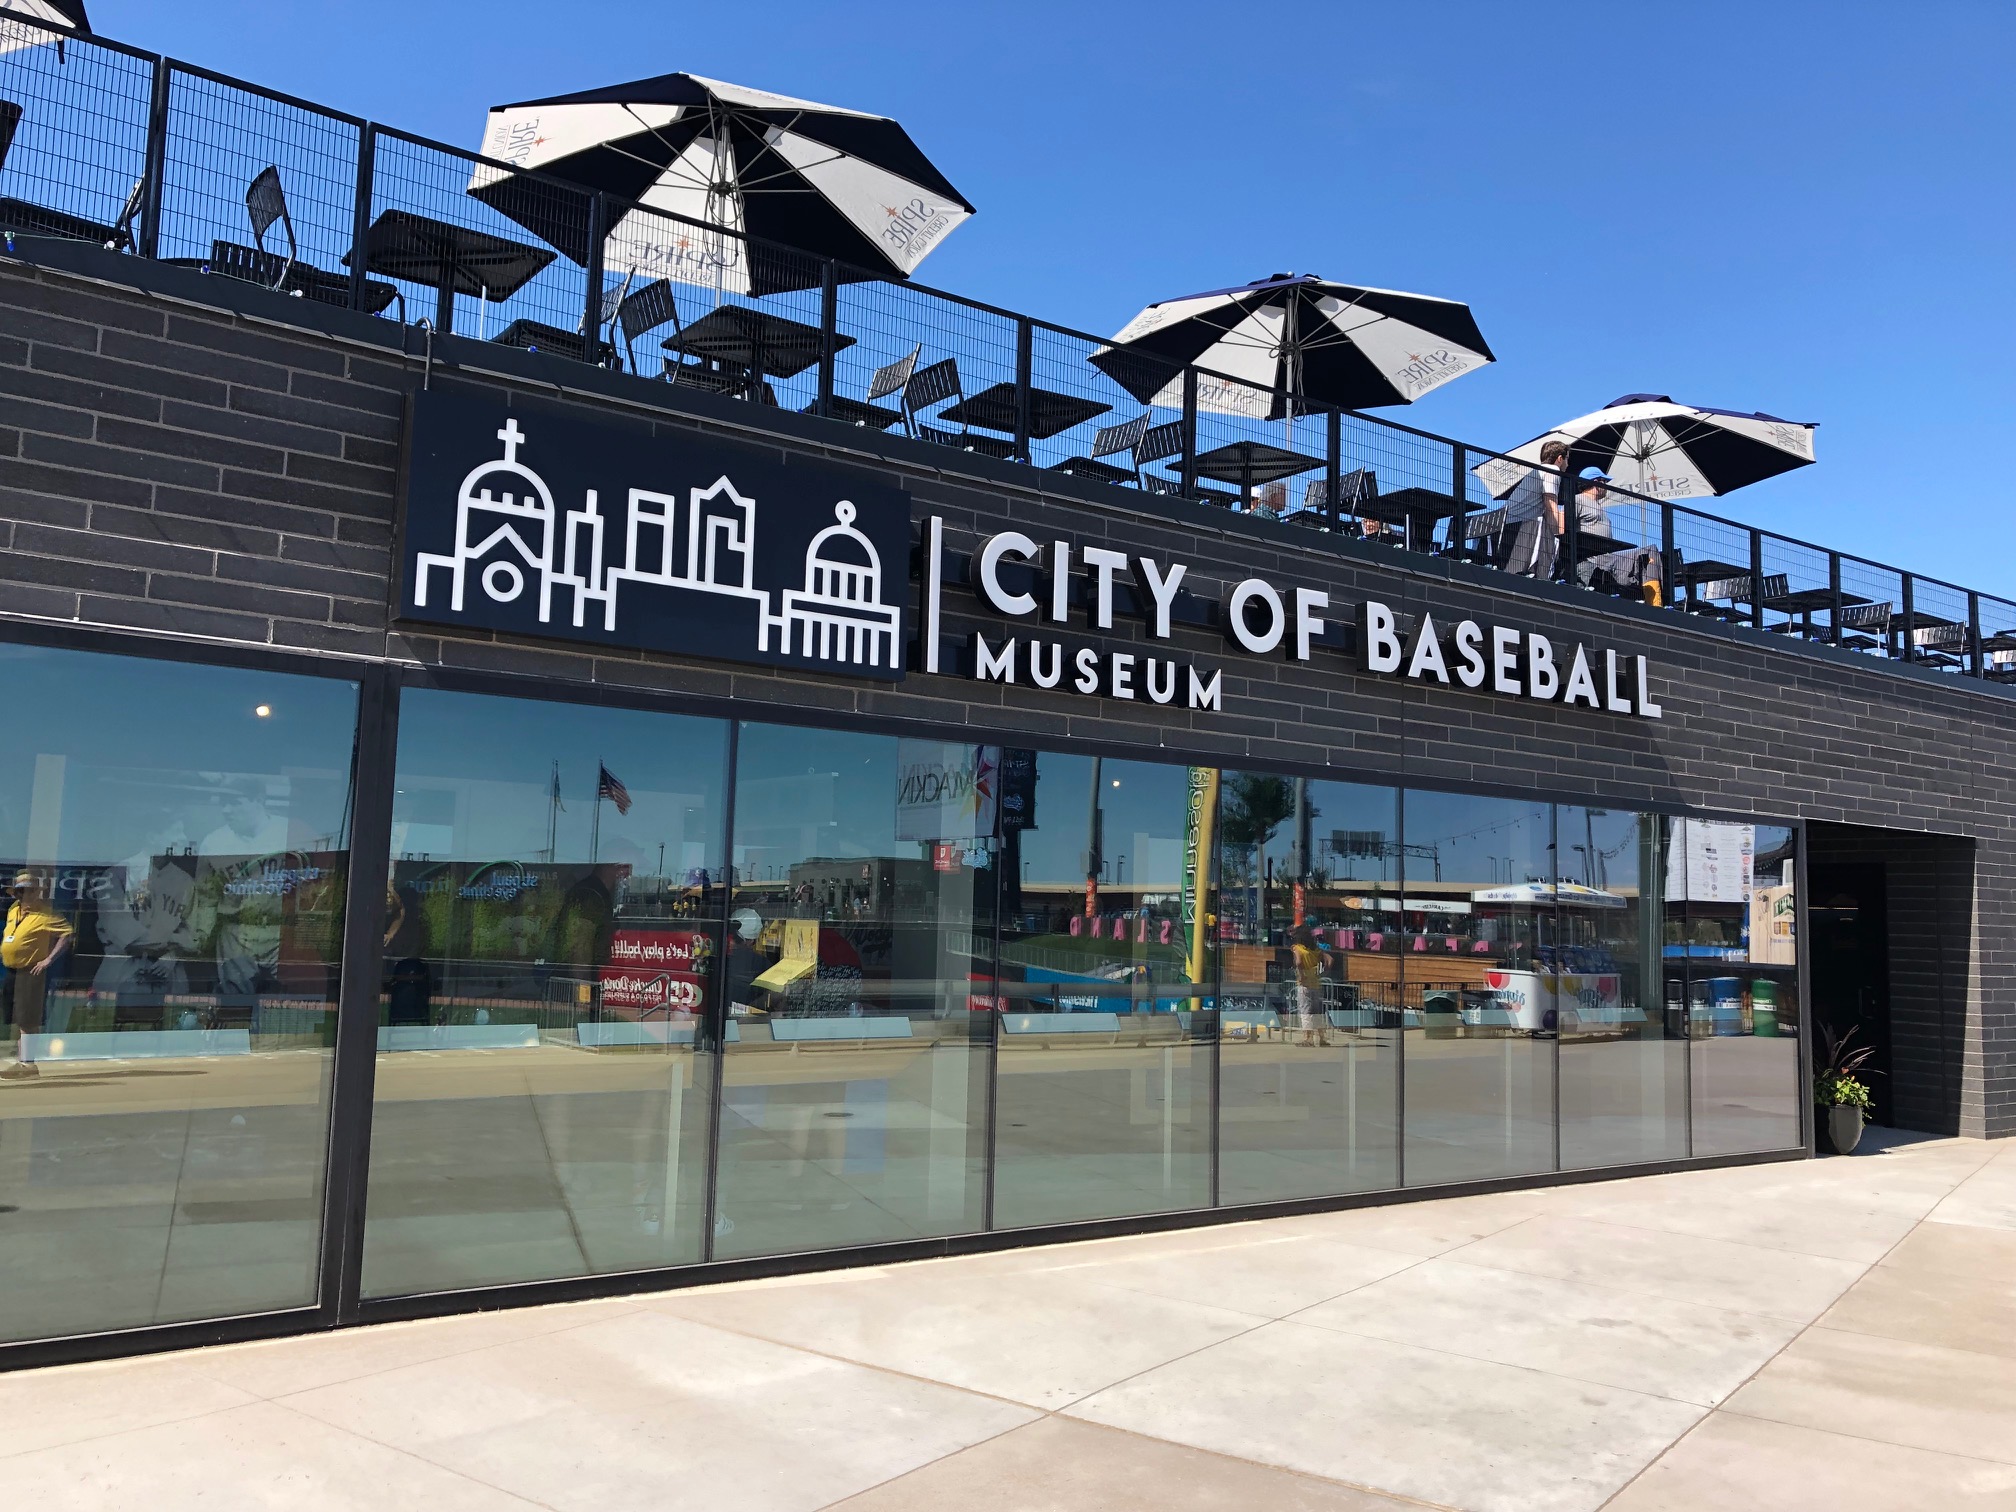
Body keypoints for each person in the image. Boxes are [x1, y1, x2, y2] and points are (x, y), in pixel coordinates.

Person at [1, 869, 73, 1080]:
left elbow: (67, 934)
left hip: (30, 970)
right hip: (12, 970)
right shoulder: (14, 910)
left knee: (28, 1020)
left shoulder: (46, 913)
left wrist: (48, 960)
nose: (29, 895)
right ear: (18, 894)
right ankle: (22, 1059)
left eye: (32, 891)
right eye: (24, 891)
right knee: (17, 1018)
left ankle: (28, 1064)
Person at [1500, 439, 1570, 578]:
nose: (1568, 463)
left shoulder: (1536, 472)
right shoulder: (1553, 471)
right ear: (1560, 459)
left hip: (1505, 525)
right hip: (1520, 527)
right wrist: (1559, 535)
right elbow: (1550, 504)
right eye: (1567, 459)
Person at [1289, 923, 1324, 1047]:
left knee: (1305, 1011)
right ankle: (1321, 1038)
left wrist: (1301, 974)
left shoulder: (1298, 948)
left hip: (1304, 983)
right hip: (1316, 983)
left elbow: (1298, 962)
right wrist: (1322, 972)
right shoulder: (1315, 949)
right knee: (1317, 1012)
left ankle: (1307, 1039)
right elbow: (1328, 960)